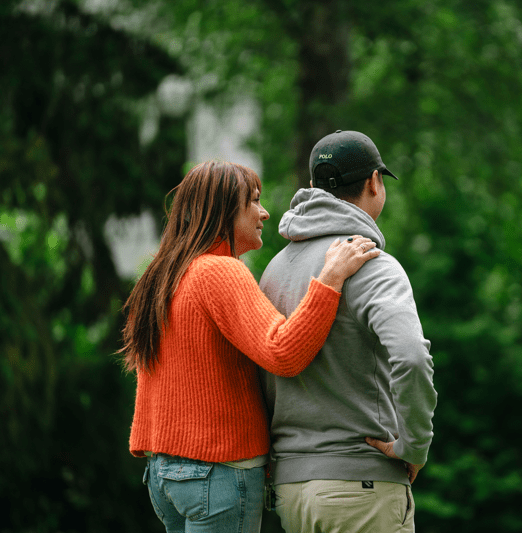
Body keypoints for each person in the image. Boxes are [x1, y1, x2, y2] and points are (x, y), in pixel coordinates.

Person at [119, 160, 380, 533]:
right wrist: (330, 278)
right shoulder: (220, 271)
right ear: (224, 209)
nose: (264, 212)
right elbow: (283, 352)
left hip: (165, 475)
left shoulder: (160, 277)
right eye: (253, 201)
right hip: (217, 471)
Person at [258, 130, 437, 532]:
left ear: (312, 188)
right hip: (362, 489)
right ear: (375, 182)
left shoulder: (274, 271)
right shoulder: (372, 263)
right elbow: (410, 356)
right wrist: (414, 446)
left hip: (291, 491)